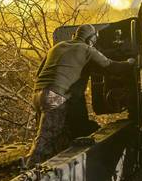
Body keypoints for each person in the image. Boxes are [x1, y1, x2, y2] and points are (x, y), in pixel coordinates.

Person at [24, 24, 133, 167]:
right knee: (47, 137)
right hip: (55, 95)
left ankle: (44, 167)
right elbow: (111, 66)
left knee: (60, 135)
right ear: (90, 39)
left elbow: (39, 72)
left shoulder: (58, 47)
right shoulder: (87, 50)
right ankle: (28, 171)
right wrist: (130, 63)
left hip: (38, 94)